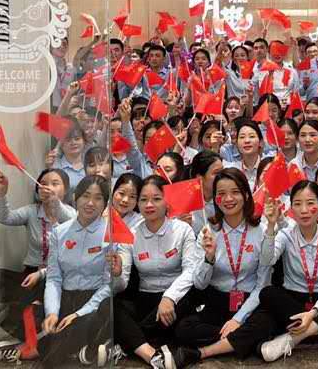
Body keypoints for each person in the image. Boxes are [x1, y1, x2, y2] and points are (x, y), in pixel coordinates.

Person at [0, 176, 127, 367]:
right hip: (65, 297)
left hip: (93, 301)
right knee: (29, 314)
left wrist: (79, 314)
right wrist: (52, 312)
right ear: (75, 198)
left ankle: (32, 349)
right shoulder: (59, 233)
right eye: (86, 196)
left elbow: (108, 285)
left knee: (100, 315)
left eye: (98, 198)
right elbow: (53, 279)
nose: (91, 203)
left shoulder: (111, 235)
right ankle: (80, 347)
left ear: (105, 203)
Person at [168, 168, 273, 368]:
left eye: (235, 192)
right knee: (183, 329)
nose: (228, 199)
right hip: (218, 301)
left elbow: (263, 284)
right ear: (215, 198)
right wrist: (209, 258)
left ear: (246, 194)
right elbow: (200, 284)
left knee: (265, 322)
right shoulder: (208, 231)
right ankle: (242, 341)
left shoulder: (260, 231)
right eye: (221, 193)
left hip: (250, 300)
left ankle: (201, 352)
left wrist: (238, 320)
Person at [254, 181, 318, 361]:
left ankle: (294, 338)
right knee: (267, 293)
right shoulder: (285, 234)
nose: (304, 210)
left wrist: (313, 313)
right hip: (294, 299)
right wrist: (271, 226)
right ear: (291, 208)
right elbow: (267, 261)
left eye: (310, 203)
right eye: (297, 204)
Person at [114, 176, 198, 368]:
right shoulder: (131, 234)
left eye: (156, 199)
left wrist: (169, 297)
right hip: (146, 299)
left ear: (167, 201)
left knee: (184, 308)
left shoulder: (182, 230)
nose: (149, 205)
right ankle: (150, 354)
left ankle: (129, 341)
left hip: (176, 300)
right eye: (143, 200)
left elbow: (191, 271)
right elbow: (122, 285)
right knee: (111, 305)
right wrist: (116, 274)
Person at [0, 168, 76, 340]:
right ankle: (33, 306)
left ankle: (26, 308)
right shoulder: (31, 211)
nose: (48, 187)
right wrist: (2, 194)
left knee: (44, 289)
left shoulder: (70, 214)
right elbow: (4, 218)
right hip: (31, 272)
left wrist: (55, 203)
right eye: (43, 184)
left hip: (58, 275)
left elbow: (73, 227)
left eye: (55, 184)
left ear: (65, 190)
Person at [224, 119, 270, 191]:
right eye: (242, 137)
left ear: (261, 142)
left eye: (252, 136)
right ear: (237, 143)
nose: (247, 141)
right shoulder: (231, 169)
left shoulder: (269, 168)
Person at [189, 151, 223, 235]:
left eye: (223, 171)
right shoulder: (187, 203)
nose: (222, 176)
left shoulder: (226, 200)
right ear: (200, 178)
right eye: (216, 173)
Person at [48, 122, 87, 189]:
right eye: (68, 140)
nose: (73, 142)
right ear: (61, 145)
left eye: (77, 139)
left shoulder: (90, 164)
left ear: (84, 141)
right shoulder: (54, 165)